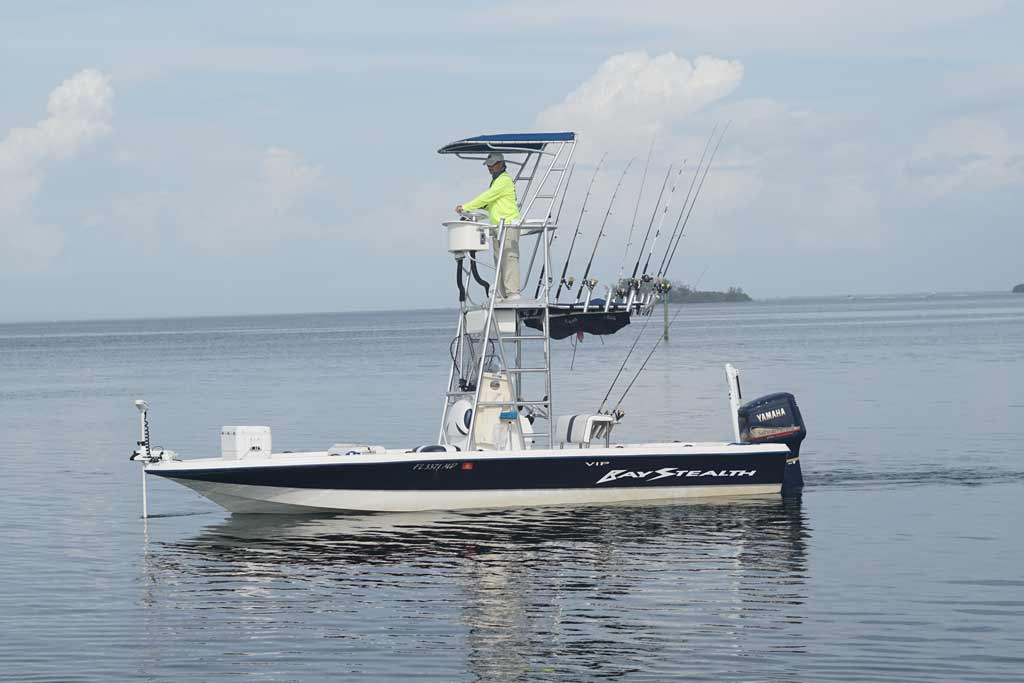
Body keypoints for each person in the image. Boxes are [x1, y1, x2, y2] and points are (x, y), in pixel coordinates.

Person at [456, 153, 522, 299]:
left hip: (508, 225)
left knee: (509, 258)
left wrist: (466, 206)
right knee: (499, 260)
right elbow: (489, 203)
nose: (490, 168)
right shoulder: (496, 181)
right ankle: (503, 293)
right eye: (488, 165)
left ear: (501, 164)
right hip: (498, 228)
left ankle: (513, 293)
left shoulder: (503, 180)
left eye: (492, 164)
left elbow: (487, 197)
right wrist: (471, 209)